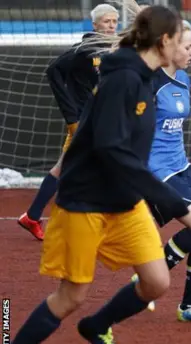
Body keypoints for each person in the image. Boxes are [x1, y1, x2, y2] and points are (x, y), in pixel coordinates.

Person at [5, 6, 188, 344]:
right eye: (182, 41)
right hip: (85, 201)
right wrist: (167, 197)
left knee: (156, 282)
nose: (187, 49)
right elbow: (110, 148)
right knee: (71, 296)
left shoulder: (143, 75)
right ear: (164, 41)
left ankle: (97, 326)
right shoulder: (124, 79)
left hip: (124, 201)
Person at [133, 20, 191, 324]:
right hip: (156, 168)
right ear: (169, 48)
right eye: (188, 46)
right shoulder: (149, 82)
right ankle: (145, 282)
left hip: (181, 164)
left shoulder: (183, 78)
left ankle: (189, 307)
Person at [17, 3, 119, 241]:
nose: (112, 26)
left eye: (115, 21)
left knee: (68, 167)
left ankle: (33, 217)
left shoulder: (111, 50)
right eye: (107, 21)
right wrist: (71, 116)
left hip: (98, 119)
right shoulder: (84, 49)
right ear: (95, 25)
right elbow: (53, 70)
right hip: (84, 122)